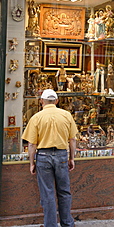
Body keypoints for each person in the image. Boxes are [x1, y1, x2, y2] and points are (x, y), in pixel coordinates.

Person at [22, 89, 78, 227]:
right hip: (61, 155)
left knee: (47, 193)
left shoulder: (36, 117)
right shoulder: (66, 115)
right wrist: (72, 158)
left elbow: (32, 144)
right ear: (57, 101)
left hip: (43, 156)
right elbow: (72, 140)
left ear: (41, 101)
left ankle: (50, 225)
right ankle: (67, 223)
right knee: (64, 191)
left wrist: (31, 162)